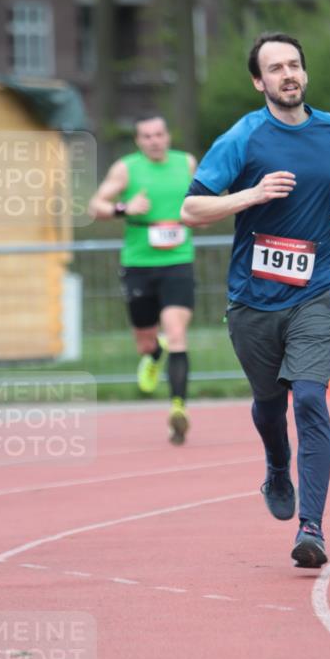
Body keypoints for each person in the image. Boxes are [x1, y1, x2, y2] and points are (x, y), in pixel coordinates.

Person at [180, 32, 330, 567]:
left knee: (308, 397)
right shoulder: (243, 138)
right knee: (269, 403)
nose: (288, 75)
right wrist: (253, 195)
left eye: (295, 65)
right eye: (275, 68)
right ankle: (277, 466)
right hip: (254, 300)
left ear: (305, 73)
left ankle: (313, 528)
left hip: (317, 289)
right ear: (259, 82)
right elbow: (191, 210)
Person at [88, 116, 197, 445]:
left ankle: (178, 408)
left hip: (179, 260)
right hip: (138, 263)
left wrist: (201, 215)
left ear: (168, 135)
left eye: (159, 134)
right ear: (138, 141)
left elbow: (204, 198)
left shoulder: (186, 163)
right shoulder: (126, 168)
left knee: (176, 332)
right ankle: (152, 355)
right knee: (146, 340)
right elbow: (95, 205)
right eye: (146, 136)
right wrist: (126, 207)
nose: (154, 141)